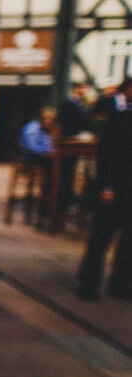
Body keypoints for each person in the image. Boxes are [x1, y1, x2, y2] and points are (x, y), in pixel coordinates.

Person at [76, 107, 132, 301]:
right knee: (101, 235)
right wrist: (106, 186)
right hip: (115, 187)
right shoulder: (120, 119)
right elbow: (106, 153)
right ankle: (88, 282)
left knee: (129, 240)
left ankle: (121, 283)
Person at [57, 82, 92, 213]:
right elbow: (83, 121)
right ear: (77, 89)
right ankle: (64, 201)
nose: (85, 91)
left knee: (70, 171)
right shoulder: (71, 104)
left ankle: (67, 199)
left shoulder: (77, 104)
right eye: (83, 88)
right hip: (69, 141)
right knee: (65, 172)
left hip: (72, 140)